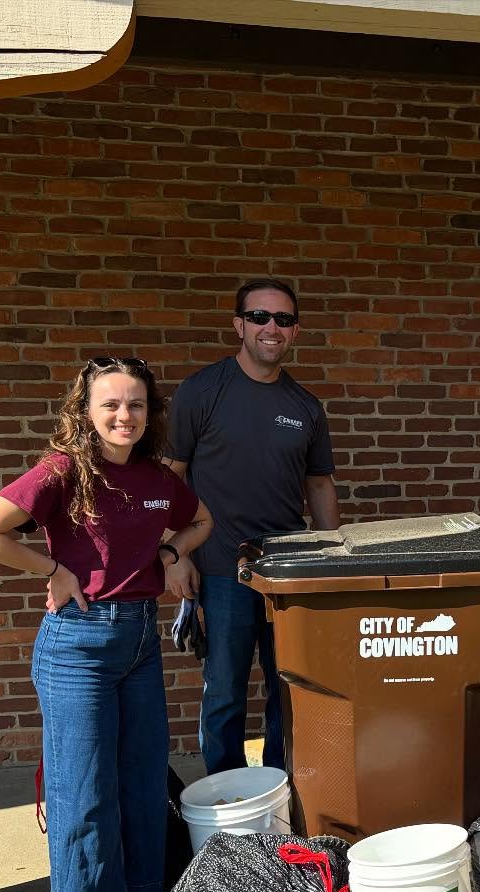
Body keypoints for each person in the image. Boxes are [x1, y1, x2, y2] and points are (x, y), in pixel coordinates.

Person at [0, 357, 212, 892]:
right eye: (110, 405)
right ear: (86, 410)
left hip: (139, 642)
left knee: (140, 779)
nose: (124, 416)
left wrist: (169, 551)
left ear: (150, 413)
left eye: (135, 404)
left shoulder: (155, 477)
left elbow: (199, 520)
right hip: (78, 648)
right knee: (81, 796)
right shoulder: (63, 472)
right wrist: (50, 567)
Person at [164, 279, 339, 775]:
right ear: (239, 325)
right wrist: (174, 555)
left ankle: (283, 788)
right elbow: (169, 479)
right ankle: (225, 799)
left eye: (283, 320)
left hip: (288, 572)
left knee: (291, 686)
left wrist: (336, 563)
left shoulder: (305, 407)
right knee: (224, 692)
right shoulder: (202, 391)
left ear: (295, 332)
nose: (271, 328)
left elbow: (320, 487)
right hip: (220, 570)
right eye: (260, 317)